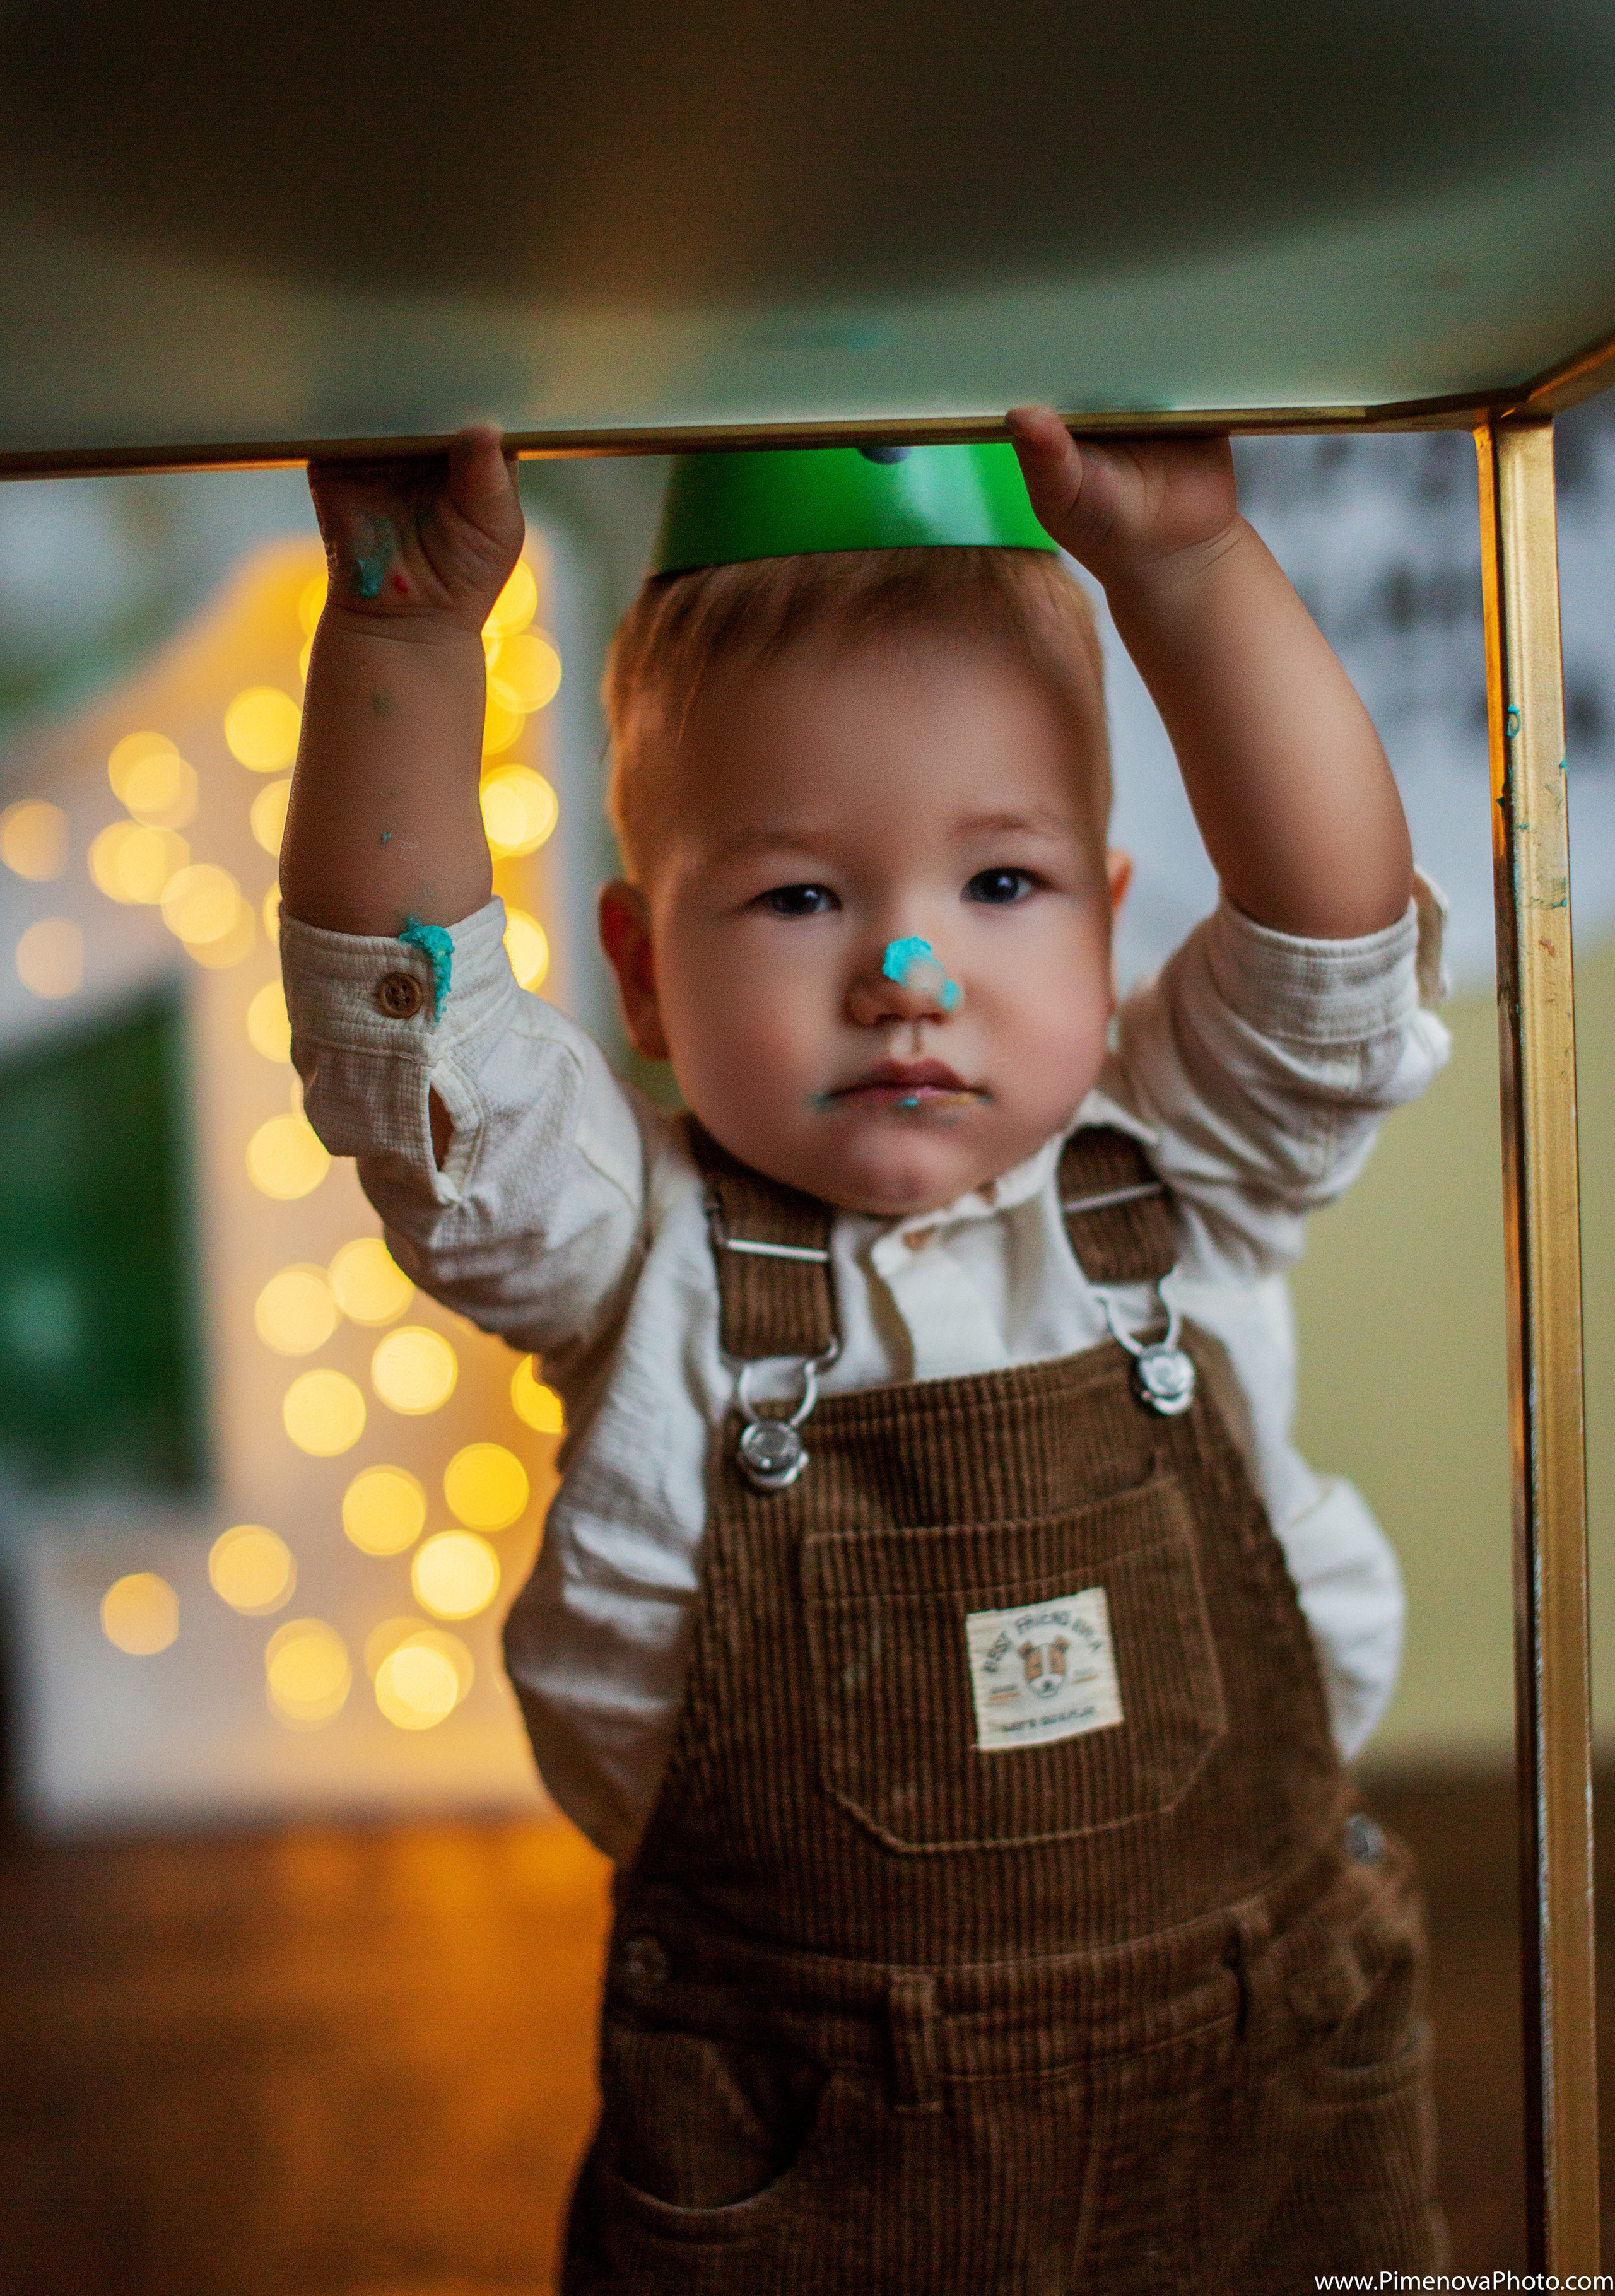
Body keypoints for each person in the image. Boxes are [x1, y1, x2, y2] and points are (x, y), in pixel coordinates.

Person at [279, 413, 1450, 2292]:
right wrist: (410, 646)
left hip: (1264, 2117)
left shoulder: (1187, 1161)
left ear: (1109, 924)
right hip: (805, 2173)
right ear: (646, 972)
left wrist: (1190, 572)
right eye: (799, 895)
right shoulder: (630, 1249)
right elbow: (408, 1046)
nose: (908, 970)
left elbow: (1335, 940)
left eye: (1002, 886)